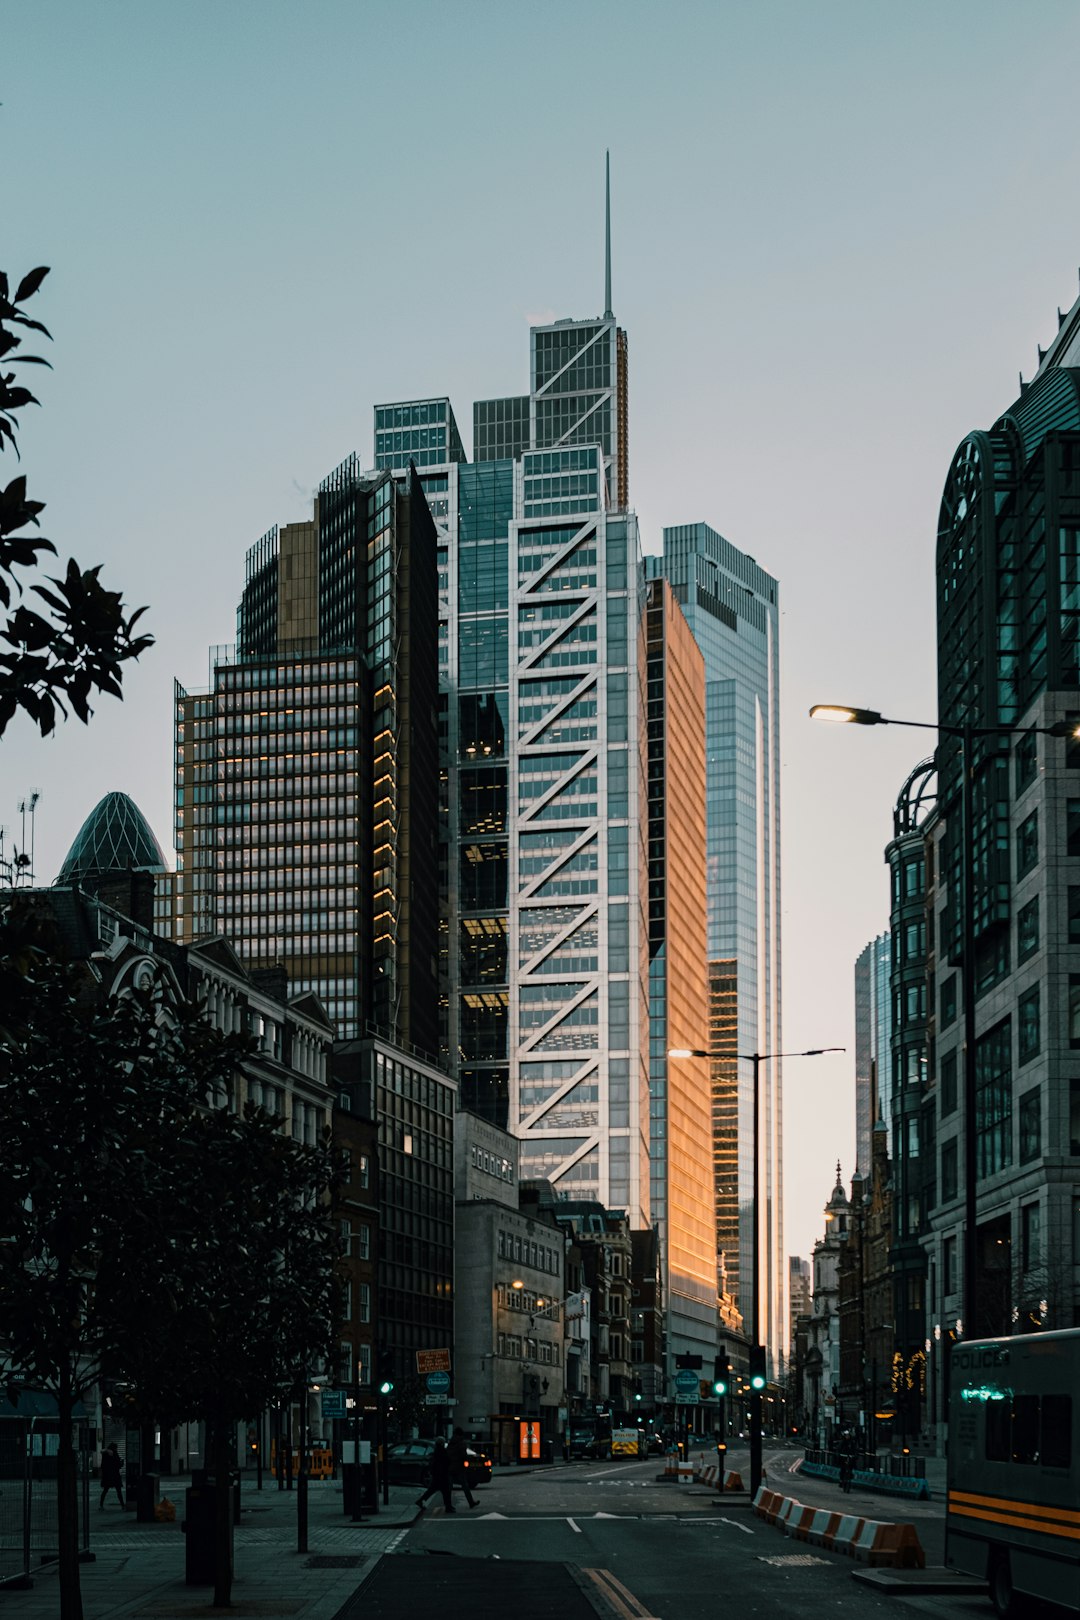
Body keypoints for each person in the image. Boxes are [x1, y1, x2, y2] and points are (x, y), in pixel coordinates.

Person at [416, 1438, 453, 1513]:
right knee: (446, 1492)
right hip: (442, 1475)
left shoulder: (436, 1451)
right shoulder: (442, 1451)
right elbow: (447, 1461)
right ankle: (448, 1507)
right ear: (442, 1443)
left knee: (432, 1490)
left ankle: (420, 1500)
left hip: (437, 1474)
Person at [446, 1427, 478, 1509]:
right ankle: (471, 1502)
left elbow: (448, 1454)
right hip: (459, 1467)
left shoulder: (451, 1442)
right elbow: (463, 1456)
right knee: (465, 1486)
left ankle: (448, 1505)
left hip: (450, 1467)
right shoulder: (461, 1443)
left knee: (449, 1487)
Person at [99, 1443, 124, 1510]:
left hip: (107, 1476)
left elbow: (102, 1466)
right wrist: (122, 1463)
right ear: (114, 1448)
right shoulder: (115, 1454)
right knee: (119, 1491)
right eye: (116, 1448)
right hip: (115, 1475)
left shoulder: (105, 1454)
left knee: (105, 1490)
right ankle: (123, 1505)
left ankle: (101, 1505)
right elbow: (118, 1465)